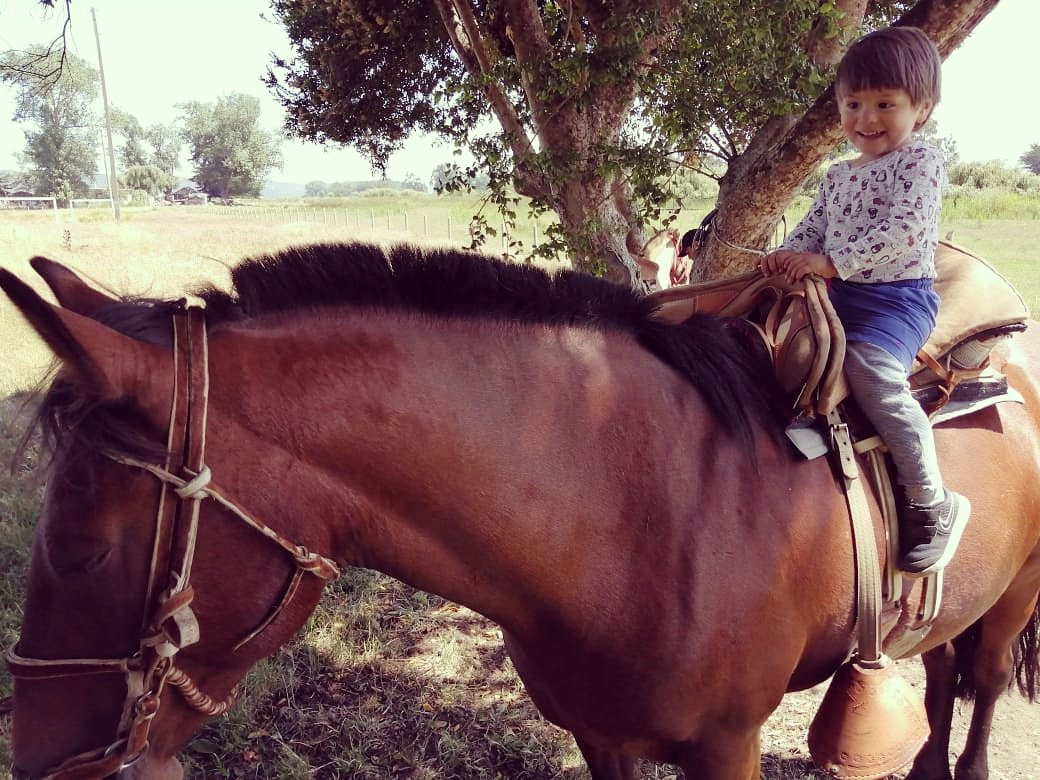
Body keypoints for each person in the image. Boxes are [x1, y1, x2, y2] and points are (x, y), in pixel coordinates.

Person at [760, 26, 968, 577]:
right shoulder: (837, 176)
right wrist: (780, 257)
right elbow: (812, 229)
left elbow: (903, 230)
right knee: (771, 347)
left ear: (920, 108)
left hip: (896, 301)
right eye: (854, 104)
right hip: (840, 295)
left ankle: (932, 498)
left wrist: (831, 264)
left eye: (885, 104)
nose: (866, 118)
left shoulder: (920, 163)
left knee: (871, 371)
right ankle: (818, 426)